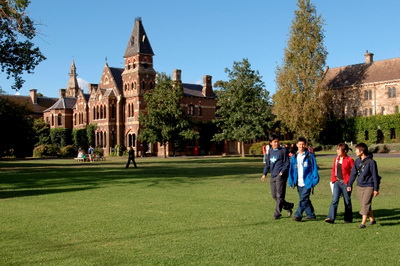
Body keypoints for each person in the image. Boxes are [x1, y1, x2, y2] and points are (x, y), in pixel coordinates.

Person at [347, 143, 380, 229]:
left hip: (369, 186)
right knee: (365, 204)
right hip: (360, 186)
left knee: (365, 203)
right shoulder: (357, 161)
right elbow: (353, 173)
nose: (355, 152)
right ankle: (372, 219)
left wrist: (376, 189)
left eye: (357, 150)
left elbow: (375, 176)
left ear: (362, 151)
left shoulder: (372, 162)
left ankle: (363, 223)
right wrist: (349, 184)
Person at [261, 134, 294, 219]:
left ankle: (277, 213)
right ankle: (288, 206)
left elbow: (287, 163)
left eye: (277, 141)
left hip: (280, 176)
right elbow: (267, 164)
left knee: (280, 195)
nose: (276, 143)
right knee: (274, 195)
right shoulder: (270, 151)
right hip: (273, 176)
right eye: (274, 142)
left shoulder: (283, 151)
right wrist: (264, 174)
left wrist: (282, 172)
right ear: (270, 143)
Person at [288, 137, 319, 221]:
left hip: (307, 181)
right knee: (305, 199)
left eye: (303, 144)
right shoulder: (294, 156)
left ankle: (298, 215)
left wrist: (314, 180)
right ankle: (310, 214)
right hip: (298, 182)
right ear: (297, 145)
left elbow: (314, 168)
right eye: (300, 144)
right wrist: (291, 181)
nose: (301, 146)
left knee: (303, 199)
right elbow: (291, 170)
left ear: (305, 145)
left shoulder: (310, 156)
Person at [325, 143, 354, 224]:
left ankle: (348, 219)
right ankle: (330, 218)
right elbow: (333, 169)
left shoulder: (349, 160)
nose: (337, 151)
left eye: (339, 149)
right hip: (337, 183)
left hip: (346, 183)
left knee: (347, 201)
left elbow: (354, 172)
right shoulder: (336, 159)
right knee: (334, 200)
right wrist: (333, 180)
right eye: (337, 149)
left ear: (344, 151)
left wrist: (349, 183)